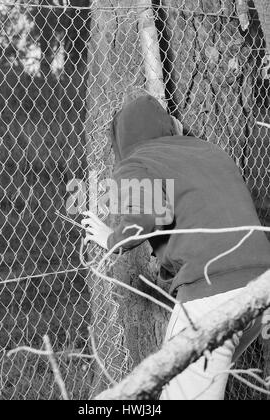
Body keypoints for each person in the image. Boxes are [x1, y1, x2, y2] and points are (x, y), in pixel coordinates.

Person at [81, 95, 270, 400]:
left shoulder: (135, 160)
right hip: (262, 284)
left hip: (211, 294)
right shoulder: (211, 151)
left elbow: (144, 215)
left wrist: (111, 239)